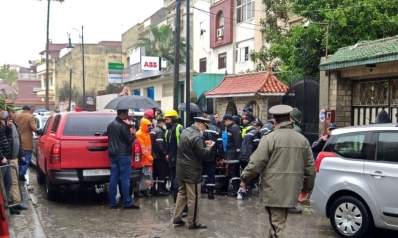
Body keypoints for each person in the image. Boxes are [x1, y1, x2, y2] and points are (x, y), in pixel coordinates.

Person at [241, 105, 316, 238]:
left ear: (274, 121)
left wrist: (245, 179)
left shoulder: (269, 138)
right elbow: (310, 168)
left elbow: (256, 163)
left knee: (277, 227)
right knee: (277, 223)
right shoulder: (302, 140)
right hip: (291, 189)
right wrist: (306, 189)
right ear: (290, 119)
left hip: (273, 190)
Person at [172, 117, 214, 229]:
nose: (204, 130)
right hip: (192, 171)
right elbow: (203, 154)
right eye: (205, 127)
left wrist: (203, 143)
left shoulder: (185, 131)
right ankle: (193, 222)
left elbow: (189, 147)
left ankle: (177, 218)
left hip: (181, 168)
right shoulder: (197, 136)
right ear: (201, 125)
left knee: (182, 193)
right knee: (194, 197)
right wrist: (209, 147)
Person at [107, 109, 139, 210]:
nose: (127, 115)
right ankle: (127, 202)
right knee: (125, 178)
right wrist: (133, 133)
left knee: (114, 178)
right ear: (123, 113)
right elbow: (129, 140)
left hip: (112, 154)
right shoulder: (123, 125)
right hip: (123, 154)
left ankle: (113, 202)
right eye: (127, 113)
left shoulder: (110, 124)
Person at [5, 108, 27, 211]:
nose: (16, 114)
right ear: (9, 113)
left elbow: (19, 141)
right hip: (10, 158)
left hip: (15, 157)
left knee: (14, 180)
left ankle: (15, 202)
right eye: (14, 112)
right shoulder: (6, 125)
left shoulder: (15, 125)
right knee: (12, 181)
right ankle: (13, 203)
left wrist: (21, 154)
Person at [14, 105, 42, 181]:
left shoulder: (17, 116)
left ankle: (19, 174)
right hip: (26, 141)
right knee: (27, 158)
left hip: (17, 140)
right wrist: (38, 131)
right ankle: (22, 174)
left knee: (20, 158)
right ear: (29, 110)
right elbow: (33, 127)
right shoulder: (30, 116)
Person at [238, 120, 262, 200]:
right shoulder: (256, 133)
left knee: (247, 174)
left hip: (242, 157)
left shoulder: (247, 133)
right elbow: (258, 146)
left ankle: (248, 188)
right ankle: (241, 192)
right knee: (249, 175)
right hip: (249, 157)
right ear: (259, 127)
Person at [164, 110, 184, 203]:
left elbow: (183, 145)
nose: (166, 122)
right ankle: (177, 205)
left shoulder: (179, 129)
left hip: (179, 161)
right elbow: (167, 144)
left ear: (173, 119)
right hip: (172, 162)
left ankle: (179, 207)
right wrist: (167, 154)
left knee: (177, 185)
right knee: (174, 185)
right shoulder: (168, 131)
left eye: (167, 119)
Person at [0, 109, 16, 215]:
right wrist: (1, 157)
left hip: (6, 158)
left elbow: (4, 137)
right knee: (2, 183)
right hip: (2, 159)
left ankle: (7, 206)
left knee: (9, 181)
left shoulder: (2, 125)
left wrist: (8, 127)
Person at [203, 123, 224, 199]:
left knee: (198, 173)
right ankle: (210, 193)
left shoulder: (200, 128)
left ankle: (198, 191)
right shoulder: (216, 130)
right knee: (211, 175)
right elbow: (220, 144)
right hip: (211, 156)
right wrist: (221, 156)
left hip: (200, 155)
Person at [150, 116, 170, 197]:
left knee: (155, 174)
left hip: (153, 156)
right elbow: (160, 145)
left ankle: (153, 189)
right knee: (162, 173)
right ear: (162, 122)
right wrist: (165, 154)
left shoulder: (153, 130)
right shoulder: (160, 131)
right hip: (159, 156)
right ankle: (161, 190)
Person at [223, 114, 242, 197]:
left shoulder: (234, 128)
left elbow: (238, 141)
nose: (224, 123)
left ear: (228, 120)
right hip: (231, 154)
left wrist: (238, 153)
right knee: (232, 172)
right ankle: (235, 189)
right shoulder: (231, 127)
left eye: (224, 121)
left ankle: (236, 190)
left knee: (234, 172)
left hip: (233, 155)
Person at [136, 118, 154, 197]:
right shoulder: (139, 134)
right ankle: (138, 191)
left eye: (150, 125)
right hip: (142, 160)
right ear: (143, 125)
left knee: (147, 176)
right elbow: (143, 148)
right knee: (141, 177)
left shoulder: (146, 134)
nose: (150, 127)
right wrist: (150, 158)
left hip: (146, 160)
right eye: (148, 126)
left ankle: (145, 190)